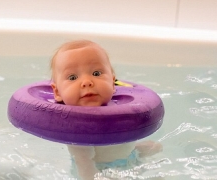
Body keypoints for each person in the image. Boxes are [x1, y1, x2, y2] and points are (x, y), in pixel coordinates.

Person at [50, 40, 162, 180]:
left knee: (156, 149)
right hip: (101, 171)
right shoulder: (76, 128)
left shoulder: (120, 109)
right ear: (57, 92)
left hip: (126, 159)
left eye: (96, 73)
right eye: (73, 77)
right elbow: (85, 168)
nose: (86, 82)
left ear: (112, 82)